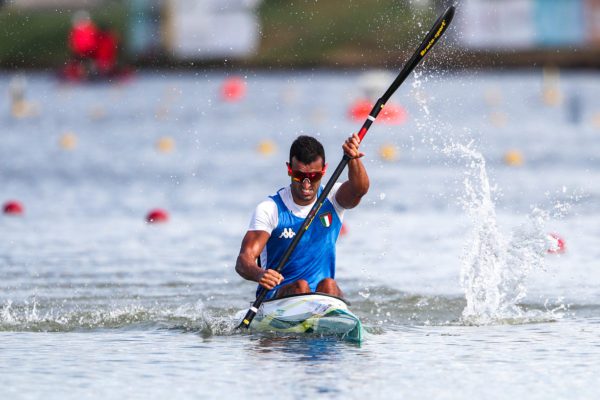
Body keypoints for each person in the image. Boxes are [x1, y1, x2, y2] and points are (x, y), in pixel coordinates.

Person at [235, 134, 369, 300]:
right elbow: (243, 261)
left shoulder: (333, 198)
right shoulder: (270, 209)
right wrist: (259, 274)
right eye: (299, 176)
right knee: (301, 286)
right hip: (277, 299)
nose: (306, 184)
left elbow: (359, 189)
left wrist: (353, 159)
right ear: (289, 169)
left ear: (324, 170)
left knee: (329, 285)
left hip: (323, 297)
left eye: (313, 177)